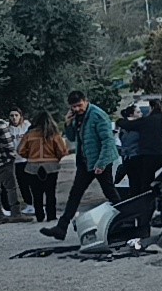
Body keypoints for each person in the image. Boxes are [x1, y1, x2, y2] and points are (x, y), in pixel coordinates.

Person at [41, 90, 121, 240]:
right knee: (75, 194)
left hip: (100, 161)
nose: (77, 109)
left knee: (109, 192)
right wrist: (68, 123)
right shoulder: (77, 117)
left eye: (79, 105)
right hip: (85, 162)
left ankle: (125, 220)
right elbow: (72, 138)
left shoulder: (98, 115)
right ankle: (61, 228)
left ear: (86, 101)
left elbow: (107, 141)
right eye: (74, 107)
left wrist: (101, 164)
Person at [115, 98, 162, 195]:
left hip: (151, 156)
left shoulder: (147, 121)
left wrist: (119, 121)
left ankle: (148, 201)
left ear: (151, 108)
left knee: (147, 183)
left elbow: (128, 125)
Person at [18, 112, 69, 223]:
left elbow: (20, 150)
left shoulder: (29, 134)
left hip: (32, 167)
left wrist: (29, 156)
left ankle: (39, 215)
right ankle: (51, 215)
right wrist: (56, 158)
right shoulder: (54, 134)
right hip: (51, 167)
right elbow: (62, 151)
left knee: (36, 193)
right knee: (50, 193)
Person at [0, 105, 30, 223]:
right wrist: (11, 157)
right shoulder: (1, 124)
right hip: (3, 162)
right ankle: (15, 213)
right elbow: (8, 144)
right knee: (11, 188)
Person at [7, 108, 34, 217]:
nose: (14, 118)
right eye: (12, 115)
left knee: (32, 182)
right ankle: (29, 204)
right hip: (17, 160)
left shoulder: (26, 126)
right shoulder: (8, 128)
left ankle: (36, 203)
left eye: (16, 115)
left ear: (20, 116)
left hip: (28, 159)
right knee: (22, 184)